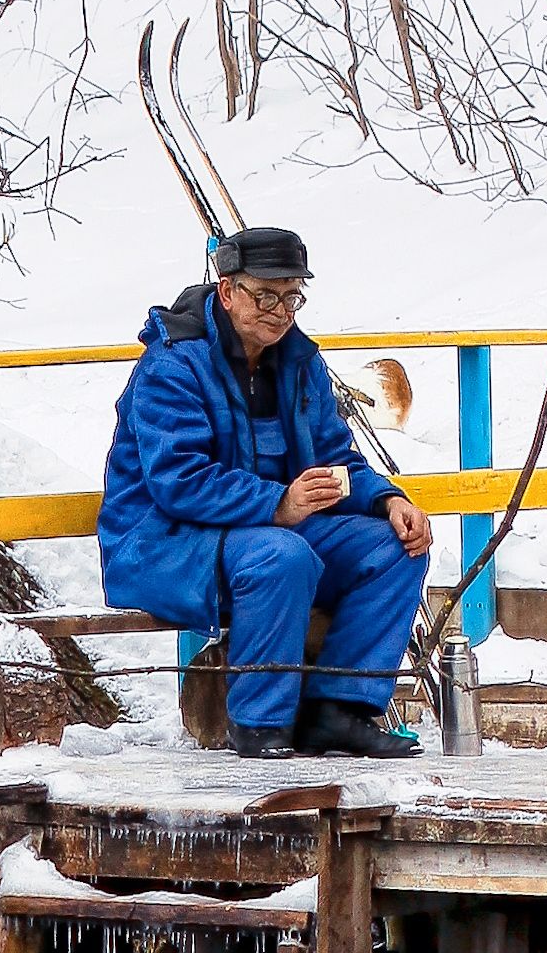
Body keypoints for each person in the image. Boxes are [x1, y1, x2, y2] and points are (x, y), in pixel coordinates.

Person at [98, 226, 433, 758]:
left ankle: (339, 708)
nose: (280, 311)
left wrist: (386, 499)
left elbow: (336, 459)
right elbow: (178, 479)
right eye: (266, 295)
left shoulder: (301, 364)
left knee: (393, 547)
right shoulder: (173, 364)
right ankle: (260, 724)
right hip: (163, 542)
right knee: (282, 555)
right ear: (227, 291)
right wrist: (277, 503)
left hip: (266, 534)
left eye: (292, 296)